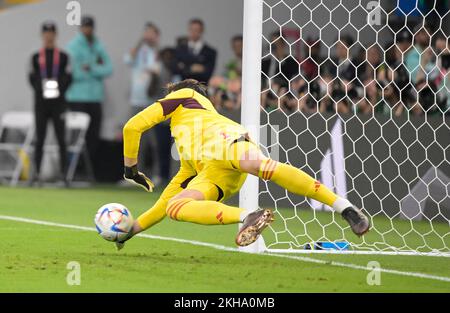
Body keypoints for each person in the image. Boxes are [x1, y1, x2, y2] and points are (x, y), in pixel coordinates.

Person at [116, 79, 370, 250]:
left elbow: (132, 126)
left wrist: (131, 170)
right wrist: (131, 230)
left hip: (227, 141)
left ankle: (345, 208)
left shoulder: (186, 96)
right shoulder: (187, 155)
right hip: (212, 171)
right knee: (175, 206)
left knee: (260, 165)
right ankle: (248, 217)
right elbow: (162, 205)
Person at [66, 16, 113, 166]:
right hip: (77, 97)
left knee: (93, 135)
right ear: (80, 28)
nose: (87, 30)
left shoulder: (98, 45)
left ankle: (88, 169)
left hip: (95, 98)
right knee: (75, 135)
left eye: (90, 27)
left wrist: (91, 68)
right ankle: (71, 168)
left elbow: (109, 68)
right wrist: (92, 71)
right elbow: (72, 72)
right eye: (85, 27)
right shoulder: (73, 46)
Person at [28, 21, 72, 185]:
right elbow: (31, 78)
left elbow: (68, 77)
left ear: (55, 34)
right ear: (42, 35)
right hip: (41, 103)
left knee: (61, 139)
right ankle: (37, 174)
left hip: (58, 103)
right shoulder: (35, 57)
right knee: (40, 138)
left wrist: (58, 88)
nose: (48, 35)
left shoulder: (63, 56)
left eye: (51, 32)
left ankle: (64, 175)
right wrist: (42, 89)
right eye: (46, 32)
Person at [123, 22, 161, 174]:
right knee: (135, 140)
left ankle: (158, 174)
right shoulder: (140, 50)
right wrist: (140, 42)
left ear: (157, 36)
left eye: (152, 33)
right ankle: (134, 174)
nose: (148, 36)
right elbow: (128, 60)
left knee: (154, 141)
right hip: (136, 100)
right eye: (147, 33)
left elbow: (159, 71)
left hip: (152, 102)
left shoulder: (159, 53)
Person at [174, 18, 217, 83]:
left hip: (201, 89)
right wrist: (192, 68)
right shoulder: (180, 50)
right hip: (183, 89)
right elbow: (175, 70)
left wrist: (185, 67)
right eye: (191, 29)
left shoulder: (210, 52)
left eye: (197, 30)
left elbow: (208, 74)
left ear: (202, 31)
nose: (194, 32)